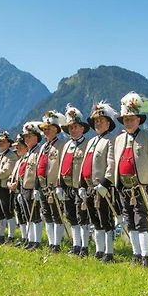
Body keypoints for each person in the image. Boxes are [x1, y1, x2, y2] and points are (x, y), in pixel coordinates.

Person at [114, 92, 148, 267]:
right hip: (124, 186)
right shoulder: (119, 139)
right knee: (129, 220)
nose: (129, 121)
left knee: (141, 219)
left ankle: (145, 256)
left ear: (138, 119)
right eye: (126, 119)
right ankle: (135, 254)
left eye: (132, 118)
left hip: (141, 186)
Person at [79, 101, 118, 262]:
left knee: (105, 219)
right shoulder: (91, 141)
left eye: (101, 121)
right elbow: (84, 164)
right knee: (94, 220)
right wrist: (81, 184)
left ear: (108, 123)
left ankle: (109, 252)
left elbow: (111, 164)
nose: (98, 123)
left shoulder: (110, 140)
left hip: (102, 187)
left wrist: (106, 183)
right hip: (89, 187)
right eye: (96, 121)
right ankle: (99, 250)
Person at [57, 104, 91, 256]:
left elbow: (87, 167)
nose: (73, 130)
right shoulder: (66, 145)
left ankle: (84, 247)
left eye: (76, 127)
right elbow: (61, 166)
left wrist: (84, 185)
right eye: (70, 127)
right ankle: (76, 245)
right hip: (67, 187)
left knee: (82, 217)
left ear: (82, 128)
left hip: (80, 187)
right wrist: (59, 184)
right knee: (71, 217)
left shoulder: (87, 144)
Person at [35, 110, 66, 252]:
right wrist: (36, 187)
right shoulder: (43, 147)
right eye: (44, 129)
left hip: (54, 186)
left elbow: (61, 167)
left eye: (49, 129)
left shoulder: (61, 145)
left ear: (56, 129)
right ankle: (51, 242)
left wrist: (60, 185)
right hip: (42, 186)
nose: (46, 131)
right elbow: (38, 167)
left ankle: (57, 244)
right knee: (46, 214)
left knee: (56, 214)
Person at [18, 121, 43, 250]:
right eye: (25, 137)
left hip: (33, 187)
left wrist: (37, 188)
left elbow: (39, 171)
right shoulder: (28, 153)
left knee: (35, 216)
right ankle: (31, 240)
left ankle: (37, 242)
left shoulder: (38, 151)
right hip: (24, 188)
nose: (26, 139)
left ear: (36, 137)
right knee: (28, 216)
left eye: (29, 136)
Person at [8, 134, 29, 247]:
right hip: (15, 191)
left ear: (26, 147)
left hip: (22, 190)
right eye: (17, 147)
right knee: (19, 215)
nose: (17, 149)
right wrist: (9, 183)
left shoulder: (27, 160)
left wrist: (17, 184)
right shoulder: (18, 161)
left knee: (26, 215)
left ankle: (29, 238)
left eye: (20, 146)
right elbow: (12, 175)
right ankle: (23, 236)